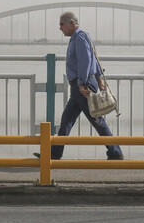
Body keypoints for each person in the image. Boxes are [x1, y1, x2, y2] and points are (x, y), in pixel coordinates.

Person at [34, 12, 124, 160]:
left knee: (97, 120)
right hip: (79, 87)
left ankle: (116, 152)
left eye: (62, 24)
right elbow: (92, 58)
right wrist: (98, 77)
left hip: (83, 86)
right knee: (66, 119)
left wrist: (82, 82)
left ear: (72, 23)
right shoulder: (80, 36)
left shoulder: (80, 37)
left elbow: (86, 61)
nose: (60, 28)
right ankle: (55, 153)